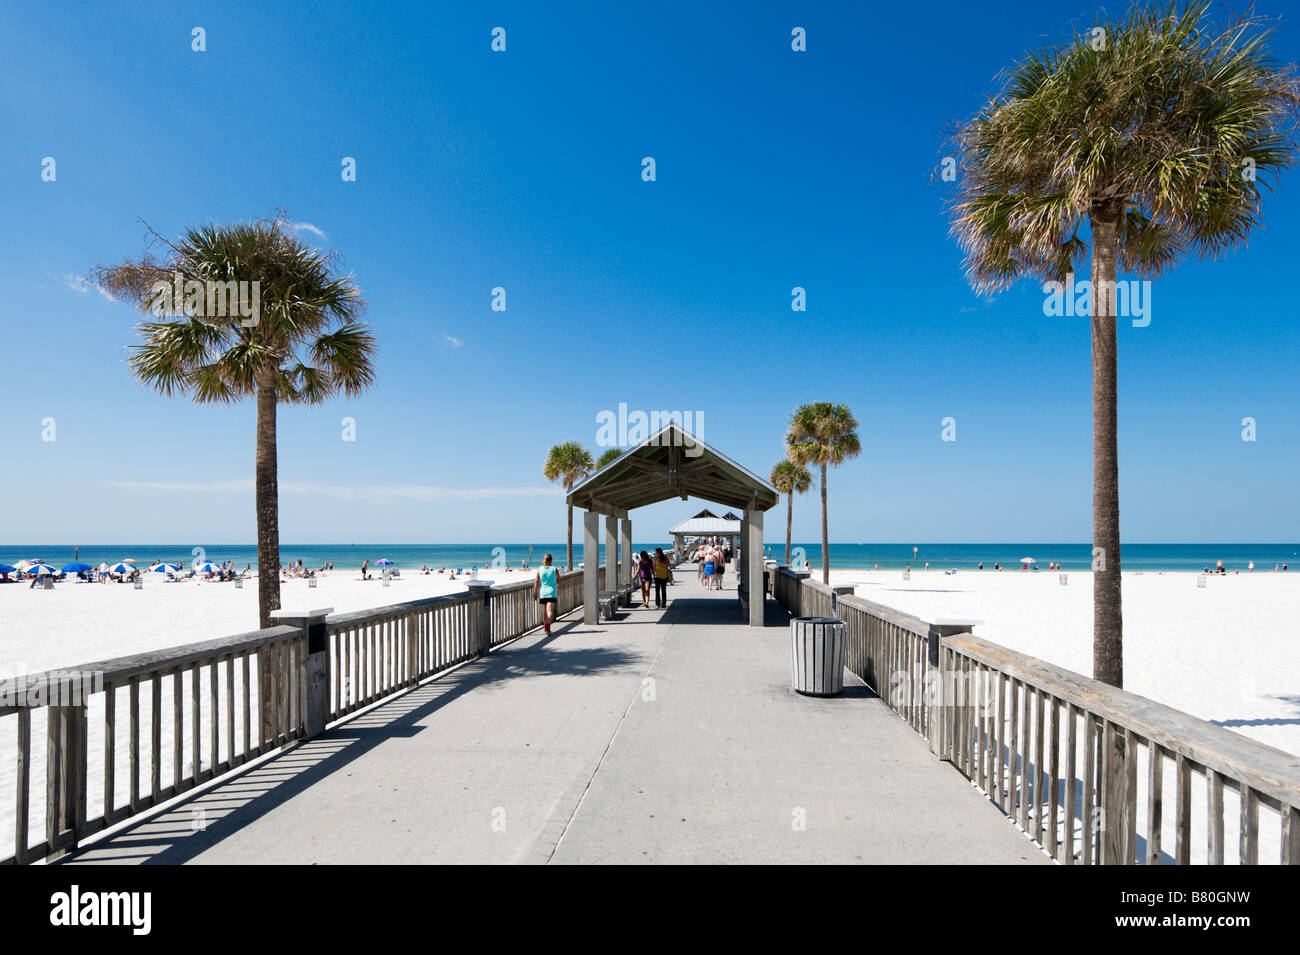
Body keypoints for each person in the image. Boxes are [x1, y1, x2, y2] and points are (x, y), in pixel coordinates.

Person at [533, 554, 559, 635]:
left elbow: (536, 582)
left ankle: (545, 628)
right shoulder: (554, 569)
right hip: (551, 592)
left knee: (545, 610)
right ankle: (548, 628)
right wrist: (556, 585)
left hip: (543, 592)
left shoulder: (540, 569)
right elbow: (559, 580)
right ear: (551, 560)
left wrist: (535, 592)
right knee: (549, 610)